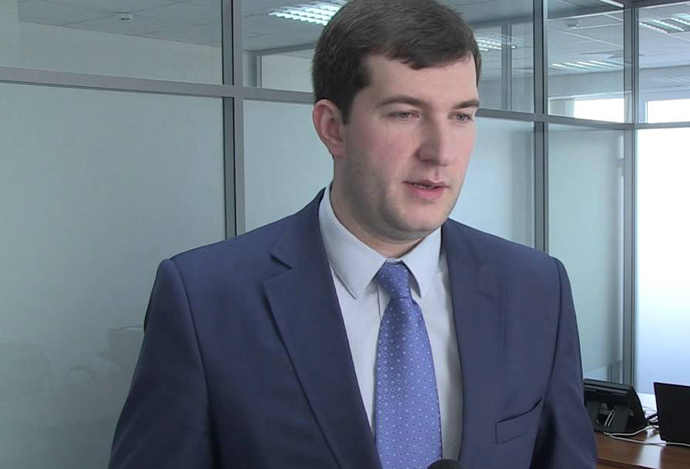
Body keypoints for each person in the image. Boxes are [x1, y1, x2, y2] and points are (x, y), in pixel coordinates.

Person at [108, 1, 597, 468]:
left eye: (461, 116)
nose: (442, 152)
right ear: (332, 128)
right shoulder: (204, 298)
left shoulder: (536, 287)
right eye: (405, 113)